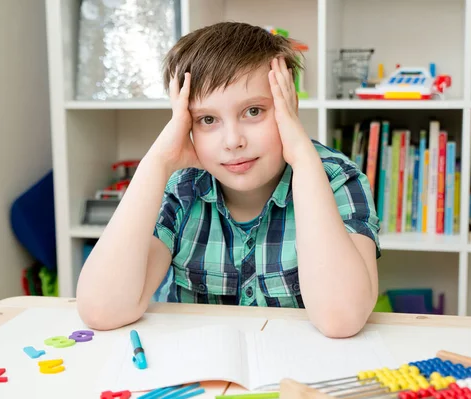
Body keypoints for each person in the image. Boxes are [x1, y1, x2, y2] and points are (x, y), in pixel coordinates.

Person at [76, 22, 380, 338]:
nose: (233, 140)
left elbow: (341, 319)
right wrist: (158, 161)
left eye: (253, 111)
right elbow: (101, 310)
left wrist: (303, 159)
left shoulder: (337, 180)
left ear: (289, 104)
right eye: (207, 120)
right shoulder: (181, 187)